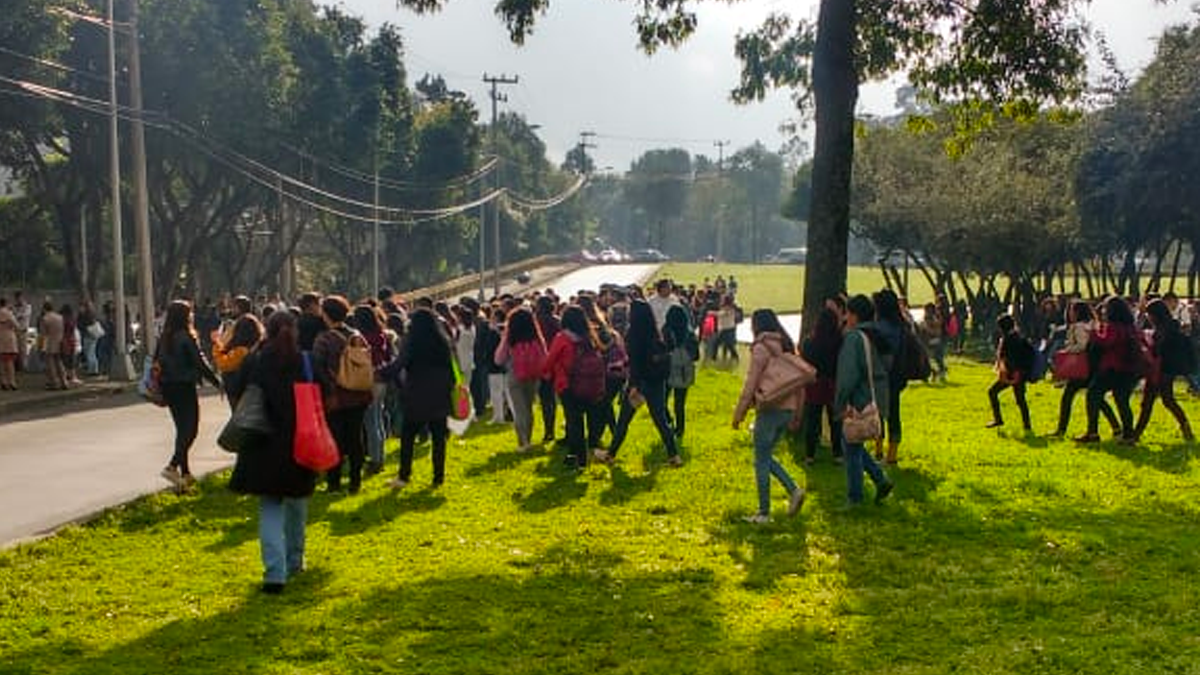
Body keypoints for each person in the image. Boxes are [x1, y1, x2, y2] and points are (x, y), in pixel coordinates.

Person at [226, 311, 316, 595]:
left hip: (261, 443)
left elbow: (236, 391)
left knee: (270, 507)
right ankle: (296, 560)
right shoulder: (304, 361)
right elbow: (322, 393)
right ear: (295, 330)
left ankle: (274, 573)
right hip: (298, 440)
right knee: (297, 502)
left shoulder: (254, 360)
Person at [732, 309, 807, 523]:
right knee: (765, 456)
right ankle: (793, 490)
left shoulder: (761, 349)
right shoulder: (786, 345)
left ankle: (764, 511)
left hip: (769, 407)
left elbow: (751, 383)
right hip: (788, 409)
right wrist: (798, 413)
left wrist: (740, 412)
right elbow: (800, 383)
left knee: (761, 461)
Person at [595, 299, 682, 467]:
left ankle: (611, 454)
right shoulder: (655, 333)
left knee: (624, 420)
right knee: (661, 420)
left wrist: (633, 386)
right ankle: (674, 455)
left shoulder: (633, 335)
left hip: (640, 382)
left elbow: (635, 364)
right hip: (656, 382)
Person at [385, 308, 455, 489]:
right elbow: (452, 367)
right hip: (440, 392)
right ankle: (438, 477)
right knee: (439, 438)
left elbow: (400, 364)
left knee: (408, 436)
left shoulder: (412, 341)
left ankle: (404, 475)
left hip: (417, 392)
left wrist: (380, 373)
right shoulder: (442, 341)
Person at [835, 295, 894, 506]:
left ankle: (855, 497)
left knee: (850, 443)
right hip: (879, 393)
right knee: (854, 443)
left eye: (847, 313)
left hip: (859, 397)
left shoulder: (854, 338)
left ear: (854, 315)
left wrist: (840, 403)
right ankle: (880, 479)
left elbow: (848, 374)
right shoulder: (879, 334)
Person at [157, 300, 222, 492]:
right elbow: (199, 363)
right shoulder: (185, 336)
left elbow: (155, 361)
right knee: (191, 429)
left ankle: (185, 475)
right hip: (184, 386)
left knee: (181, 429)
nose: (192, 315)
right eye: (190, 312)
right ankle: (172, 466)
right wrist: (217, 382)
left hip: (169, 387)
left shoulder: (165, 337)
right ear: (185, 316)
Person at [312, 295, 371, 494]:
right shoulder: (356, 335)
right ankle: (355, 482)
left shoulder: (324, 339)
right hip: (358, 394)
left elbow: (317, 367)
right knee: (355, 438)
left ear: (326, 315)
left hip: (335, 396)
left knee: (335, 439)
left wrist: (329, 386)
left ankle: (334, 483)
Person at [543, 305, 603, 469]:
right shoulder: (589, 336)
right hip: (589, 383)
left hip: (567, 384)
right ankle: (578, 453)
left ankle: (580, 458)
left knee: (574, 421)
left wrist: (545, 373)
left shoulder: (562, 338)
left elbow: (550, 359)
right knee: (586, 417)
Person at [1052, 301, 1119, 438]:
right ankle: (1116, 427)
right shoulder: (1095, 324)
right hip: (1095, 366)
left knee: (1068, 397)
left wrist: (1066, 351)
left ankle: (1061, 429)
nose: (1069, 313)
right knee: (1097, 398)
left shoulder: (1078, 327)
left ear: (1077, 312)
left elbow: (1082, 345)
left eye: (1071, 310)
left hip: (1082, 366)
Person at [1077, 296, 1139, 444]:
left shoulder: (1113, 327)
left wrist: (1093, 333)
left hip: (1112, 368)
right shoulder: (1131, 327)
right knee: (1122, 401)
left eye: (1105, 308)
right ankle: (1129, 435)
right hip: (1129, 369)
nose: (1103, 311)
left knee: (1093, 394)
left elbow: (1106, 342)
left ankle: (1092, 432)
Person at [1132, 299, 1195, 442]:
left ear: (1155, 314)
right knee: (1167, 400)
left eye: (1149, 314)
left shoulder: (1164, 330)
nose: (1148, 317)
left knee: (1150, 402)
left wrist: (1147, 342)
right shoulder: (1170, 327)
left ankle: (1136, 435)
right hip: (1165, 369)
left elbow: (1159, 350)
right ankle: (1185, 427)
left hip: (1161, 369)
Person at [494, 306, 547, 451]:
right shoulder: (536, 337)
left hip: (515, 376)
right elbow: (544, 355)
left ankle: (523, 443)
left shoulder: (510, 338)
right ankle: (528, 439)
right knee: (529, 408)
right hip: (534, 376)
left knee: (519, 410)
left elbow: (499, 359)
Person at [801, 307, 843, 464]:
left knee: (813, 419)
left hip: (815, 382)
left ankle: (810, 454)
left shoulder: (809, 342)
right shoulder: (839, 341)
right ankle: (837, 453)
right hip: (833, 382)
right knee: (835, 420)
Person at [354, 305, 392, 476]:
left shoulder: (362, 338)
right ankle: (380, 456)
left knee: (371, 422)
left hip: (368, 379)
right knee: (377, 419)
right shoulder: (382, 334)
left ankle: (375, 459)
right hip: (381, 379)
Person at [872, 289, 907, 465]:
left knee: (879, 412)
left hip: (883, 375)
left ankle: (880, 451)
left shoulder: (881, 327)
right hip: (898, 375)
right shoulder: (902, 324)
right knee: (893, 413)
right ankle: (891, 453)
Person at [986, 315, 1034, 432]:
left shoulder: (1007, 339)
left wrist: (1005, 373)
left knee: (992, 392)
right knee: (1020, 400)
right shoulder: (1020, 337)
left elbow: (1004, 358)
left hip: (1011, 372)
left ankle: (998, 419)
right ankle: (1027, 425)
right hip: (1020, 373)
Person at [214, 314, 265, 410]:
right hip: (254, 391)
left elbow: (222, 362)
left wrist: (218, 341)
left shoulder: (236, 350)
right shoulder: (259, 348)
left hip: (235, 391)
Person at [663, 304, 698, 439]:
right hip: (685, 370)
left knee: (663, 401)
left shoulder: (666, 331)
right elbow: (696, 356)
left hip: (668, 369)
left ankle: (668, 421)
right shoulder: (690, 333)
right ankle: (680, 429)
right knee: (680, 403)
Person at [534, 296, 561, 442]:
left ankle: (548, 429)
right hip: (557, 362)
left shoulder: (537, 322)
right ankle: (551, 427)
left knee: (545, 399)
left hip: (542, 363)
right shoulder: (557, 321)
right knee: (552, 398)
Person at [38, 301, 66, 390]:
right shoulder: (60, 317)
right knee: (59, 362)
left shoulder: (45, 318)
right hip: (59, 341)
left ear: (44, 309)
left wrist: (40, 346)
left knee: (50, 364)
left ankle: (54, 383)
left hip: (49, 342)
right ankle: (64, 381)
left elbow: (42, 334)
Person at [920, 302, 947, 382]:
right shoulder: (936, 317)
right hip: (935, 340)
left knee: (929, 359)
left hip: (929, 341)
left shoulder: (929, 317)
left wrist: (925, 327)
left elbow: (933, 330)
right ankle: (939, 374)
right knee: (938, 359)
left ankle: (934, 374)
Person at [715, 295, 739, 364]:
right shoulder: (731, 307)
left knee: (717, 344)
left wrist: (712, 313)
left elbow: (722, 314)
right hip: (729, 328)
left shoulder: (729, 308)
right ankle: (734, 358)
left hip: (726, 329)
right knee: (728, 345)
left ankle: (713, 358)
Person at [0, 297, 18, 390]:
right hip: (9, 337)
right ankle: (12, 382)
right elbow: (16, 325)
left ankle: (3, 381)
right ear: (6, 303)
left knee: (2, 362)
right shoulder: (9, 313)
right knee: (10, 362)